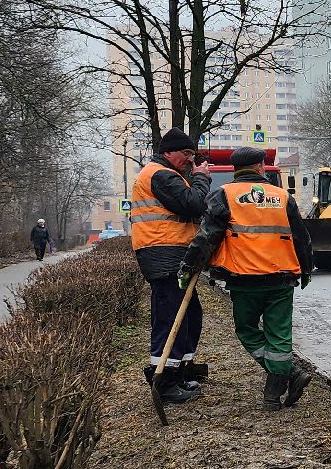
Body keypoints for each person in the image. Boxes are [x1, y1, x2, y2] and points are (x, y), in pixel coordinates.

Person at [179, 146, 313, 410]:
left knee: (247, 330)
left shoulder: (224, 194)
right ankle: (279, 385)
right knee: (280, 333)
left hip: (244, 278)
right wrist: (307, 268)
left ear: (234, 169)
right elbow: (301, 237)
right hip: (282, 277)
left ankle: (281, 383)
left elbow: (208, 235)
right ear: (261, 167)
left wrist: (189, 265)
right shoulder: (282, 196)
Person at [130, 130, 211, 405]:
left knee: (189, 314)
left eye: (192, 155)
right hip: (162, 252)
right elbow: (194, 204)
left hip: (171, 250)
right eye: (186, 154)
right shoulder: (160, 175)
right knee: (170, 315)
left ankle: (180, 371)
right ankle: (163, 378)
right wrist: (201, 178)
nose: (190, 160)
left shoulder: (169, 175)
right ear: (169, 152)